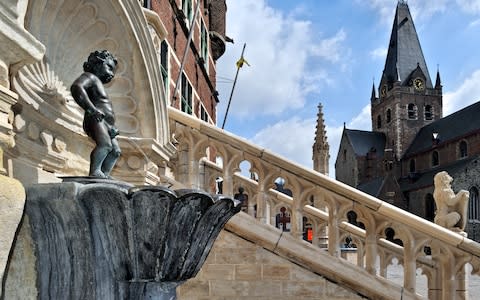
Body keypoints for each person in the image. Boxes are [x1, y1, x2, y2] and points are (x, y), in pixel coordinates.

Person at [71, 50, 121, 178]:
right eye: (109, 67)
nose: (111, 74)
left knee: (115, 151)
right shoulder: (90, 77)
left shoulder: (99, 84)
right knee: (104, 145)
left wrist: (112, 127)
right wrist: (91, 109)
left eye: (113, 71)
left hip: (106, 123)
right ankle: (95, 171)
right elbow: (77, 87)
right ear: (97, 64)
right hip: (95, 118)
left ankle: (105, 174)